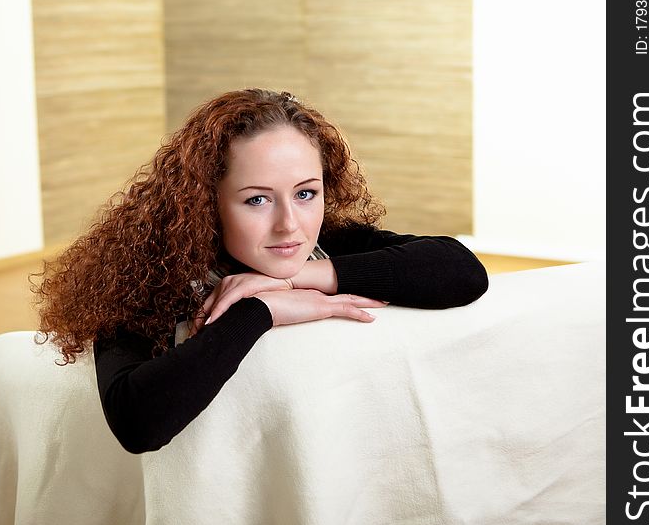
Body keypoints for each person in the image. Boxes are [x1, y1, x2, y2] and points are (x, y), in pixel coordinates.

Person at [33, 88, 488, 454]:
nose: (290, 224)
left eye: (306, 193)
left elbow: (463, 271)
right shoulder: (148, 278)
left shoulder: (326, 242)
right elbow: (137, 423)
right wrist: (258, 310)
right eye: (257, 199)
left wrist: (296, 280)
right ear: (205, 202)